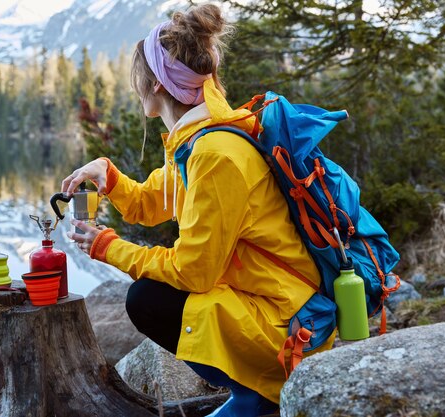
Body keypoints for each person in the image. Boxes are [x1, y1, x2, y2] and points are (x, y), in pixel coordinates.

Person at [61, 4, 334, 416]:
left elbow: (195, 272)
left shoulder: (214, 154)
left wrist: (108, 247)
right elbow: (151, 202)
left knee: (148, 300)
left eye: (138, 78)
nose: (135, 88)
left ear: (155, 84)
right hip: (264, 299)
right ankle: (250, 392)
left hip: (290, 324)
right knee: (153, 293)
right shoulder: (196, 141)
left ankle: (259, 395)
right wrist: (108, 176)